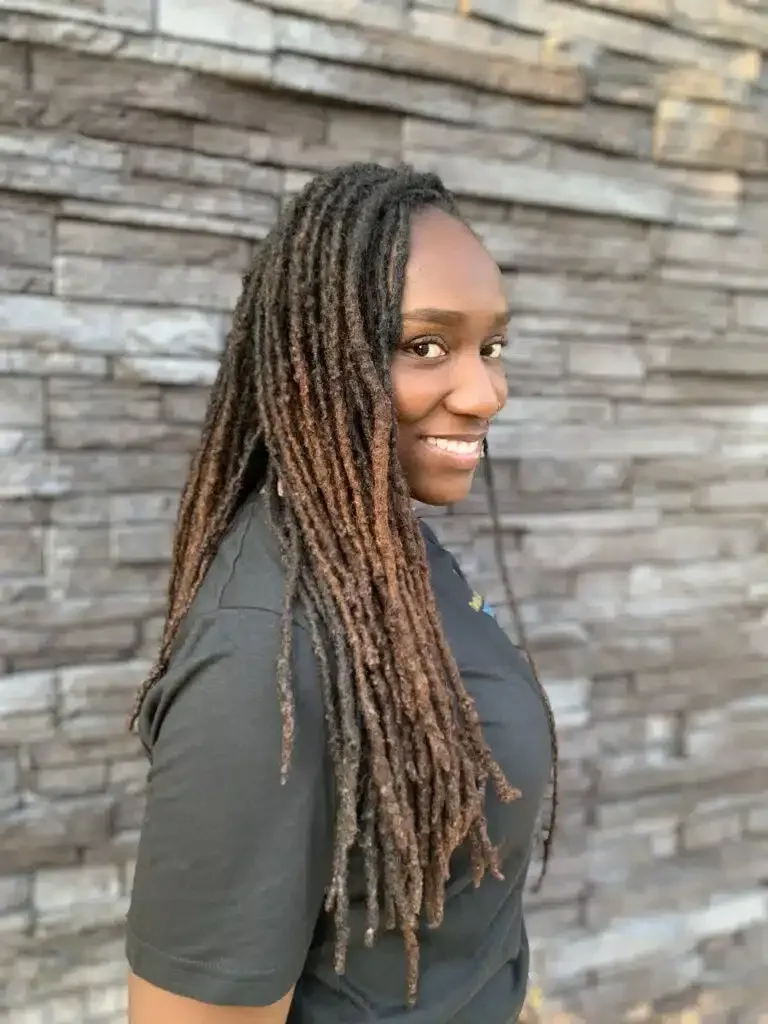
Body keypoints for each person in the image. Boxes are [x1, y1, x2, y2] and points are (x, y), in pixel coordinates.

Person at [125, 163, 558, 1024]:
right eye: (425, 346)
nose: (487, 393)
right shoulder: (262, 656)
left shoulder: (382, 549)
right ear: (312, 361)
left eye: (491, 347)